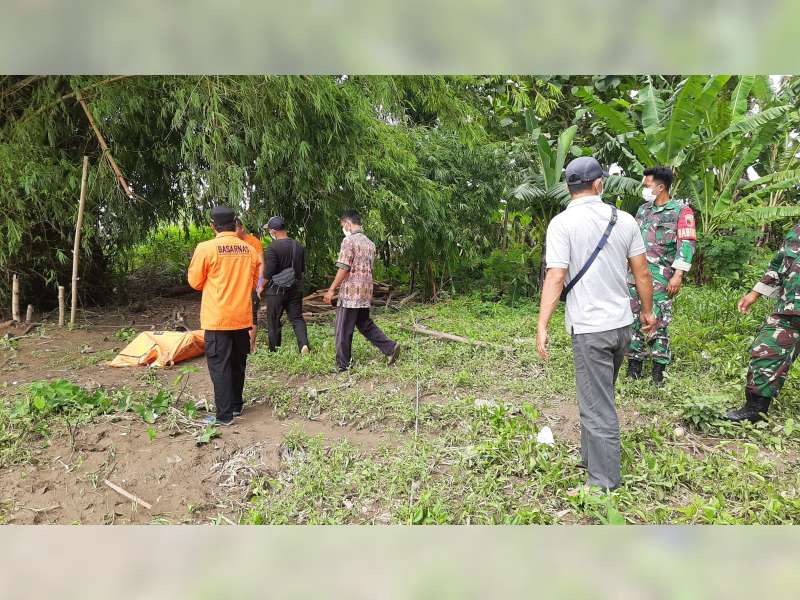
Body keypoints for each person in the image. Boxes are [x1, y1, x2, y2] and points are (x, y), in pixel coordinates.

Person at [536, 156, 656, 494]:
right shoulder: (626, 219)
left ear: (568, 186)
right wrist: (647, 313)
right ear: (599, 184)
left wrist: (542, 324)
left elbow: (556, 275)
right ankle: (591, 458)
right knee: (599, 397)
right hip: (622, 327)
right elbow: (642, 273)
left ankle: (603, 483)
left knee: (596, 406)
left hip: (590, 330)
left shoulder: (561, 224)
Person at [188, 206, 260, 426]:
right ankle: (237, 405)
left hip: (217, 317)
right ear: (234, 224)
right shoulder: (249, 250)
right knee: (238, 362)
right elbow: (253, 279)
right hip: (242, 317)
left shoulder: (206, 248)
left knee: (219, 365)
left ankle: (224, 415)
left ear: (213, 226)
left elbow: (195, 282)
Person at [626, 166, 697, 386]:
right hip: (635, 275)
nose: (644, 189)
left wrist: (678, 275)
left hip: (661, 276)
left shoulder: (681, 211)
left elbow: (686, 243)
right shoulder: (643, 210)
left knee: (657, 320)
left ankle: (659, 369)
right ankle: (634, 365)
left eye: (647, 185)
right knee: (633, 318)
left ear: (660, 186)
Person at [725, 222, 800, 423]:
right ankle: (755, 409)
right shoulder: (796, 230)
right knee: (765, 349)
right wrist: (754, 294)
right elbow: (777, 266)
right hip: (790, 310)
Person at [323, 210, 401, 371]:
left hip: (351, 293)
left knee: (343, 328)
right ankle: (390, 348)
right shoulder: (370, 243)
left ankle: (342, 366)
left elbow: (344, 267)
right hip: (365, 291)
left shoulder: (348, 241)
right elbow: (370, 268)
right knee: (364, 324)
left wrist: (331, 290)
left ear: (348, 223)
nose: (343, 228)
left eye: (343, 225)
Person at [261, 215, 310, 354]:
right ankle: (303, 345)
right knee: (297, 318)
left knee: (274, 320)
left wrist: (260, 286)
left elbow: (268, 273)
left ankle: (274, 351)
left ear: (274, 232)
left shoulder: (272, 248)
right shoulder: (298, 246)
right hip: (295, 288)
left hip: (275, 291)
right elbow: (301, 271)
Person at [235, 218, 265, 353]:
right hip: (236, 285)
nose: (233, 232)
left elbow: (262, 264)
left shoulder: (253, 242)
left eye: (235, 229)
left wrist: (259, 284)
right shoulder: (231, 242)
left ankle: (251, 346)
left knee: (252, 315)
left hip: (251, 285)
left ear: (242, 228)